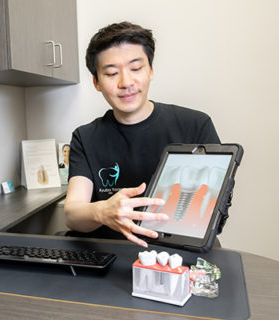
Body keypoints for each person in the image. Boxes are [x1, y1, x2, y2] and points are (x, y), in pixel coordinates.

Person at [64, 22, 220, 247]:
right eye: (111, 73)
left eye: (136, 68)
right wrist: (102, 211)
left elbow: (216, 207)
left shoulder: (195, 125)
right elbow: (72, 213)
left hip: (180, 256)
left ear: (151, 71)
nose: (126, 82)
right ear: (96, 82)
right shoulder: (85, 137)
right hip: (113, 256)